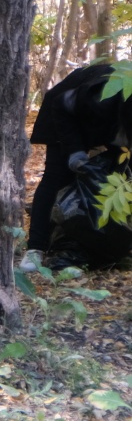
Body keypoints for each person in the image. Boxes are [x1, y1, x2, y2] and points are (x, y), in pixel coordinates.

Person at [22, 64, 132, 272]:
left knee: (118, 178)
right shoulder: (105, 96)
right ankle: (36, 248)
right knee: (57, 177)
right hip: (62, 115)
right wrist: (75, 151)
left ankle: (93, 243)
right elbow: (61, 105)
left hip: (105, 123)